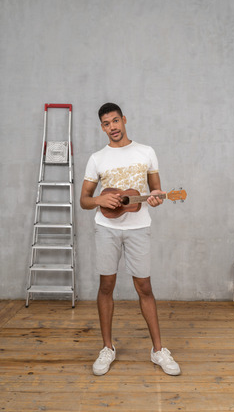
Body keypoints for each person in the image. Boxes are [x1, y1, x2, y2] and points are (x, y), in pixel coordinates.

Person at [80, 103, 180, 376]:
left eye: (115, 121)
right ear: (102, 127)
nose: (112, 127)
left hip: (139, 227)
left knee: (145, 287)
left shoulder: (146, 152)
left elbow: (156, 189)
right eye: (106, 123)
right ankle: (107, 348)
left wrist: (158, 198)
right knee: (106, 286)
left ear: (124, 120)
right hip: (106, 228)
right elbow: (84, 200)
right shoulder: (96, 158)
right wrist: (99, 199)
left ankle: (158, 350)